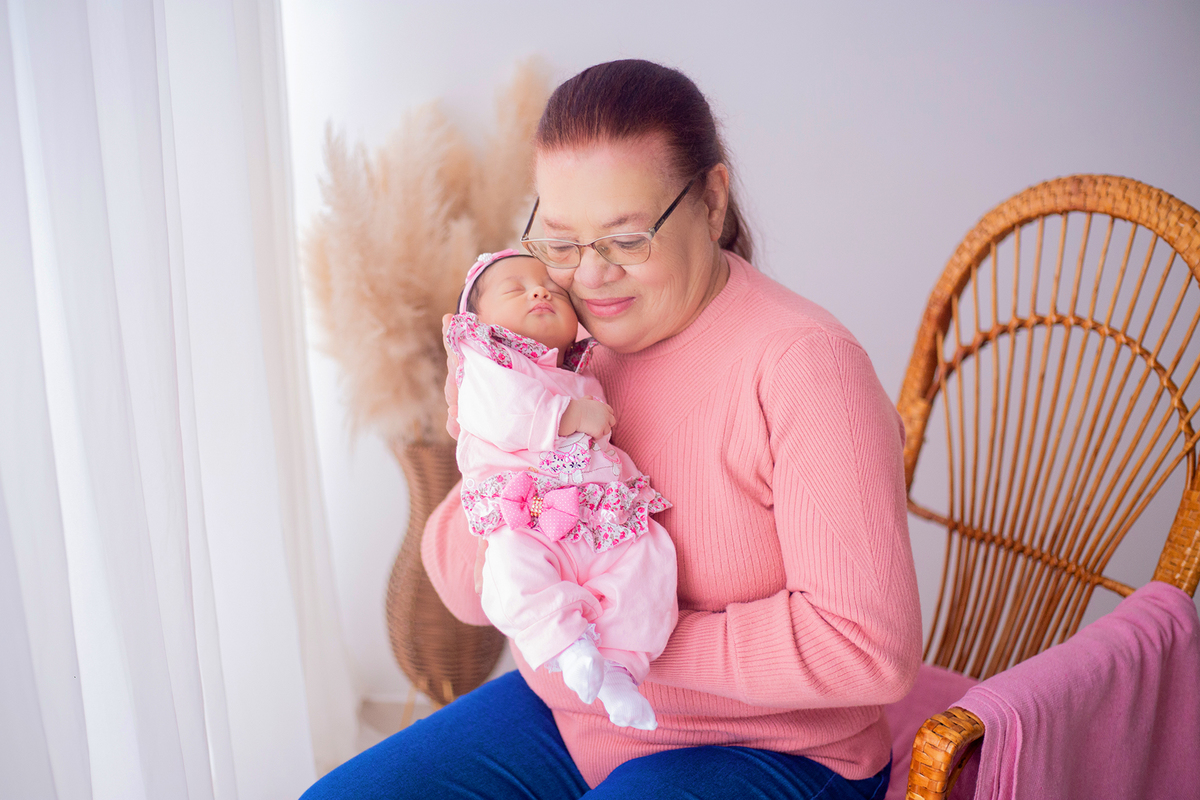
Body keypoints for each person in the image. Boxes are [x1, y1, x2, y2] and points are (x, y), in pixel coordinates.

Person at [302, 58, 921, 800]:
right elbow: (466, 591)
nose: (590, 277)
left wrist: (619, 638)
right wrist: (495, 450)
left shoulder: (806, 369)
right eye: (560, 242)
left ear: (712, 202)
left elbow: (867, 650)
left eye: (626, 240)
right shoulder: (569, 350)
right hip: (575, 715)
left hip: (774, 746)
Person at [447, 249, 678, 731]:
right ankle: (568, 646)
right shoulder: (487, 364)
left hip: (596, 517)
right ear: (479, 321)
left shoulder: (578, 369)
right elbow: (503, 413)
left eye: (554, 290)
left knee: (649, 557)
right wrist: (567, 416)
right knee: (510, 572)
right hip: (528, 520)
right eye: (517, 289)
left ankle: (618, 670)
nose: (540, 291)